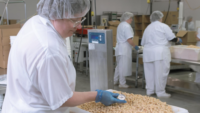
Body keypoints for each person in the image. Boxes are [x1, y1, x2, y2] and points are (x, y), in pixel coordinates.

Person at [2, 0, 126, 113]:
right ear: (56, 15)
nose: (79, 26)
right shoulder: (49, 51)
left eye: (80, 20)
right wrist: (97, 95)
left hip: (19, 104)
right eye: (74, 20)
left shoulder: (36, 22)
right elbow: (62, 100)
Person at [141, 11, 182, 98]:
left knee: (149, 73)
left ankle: (150, 90)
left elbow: (143, 42)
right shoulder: (163, 26)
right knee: (161, 73)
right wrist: (178, 40)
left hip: (148, 53)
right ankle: (160, 92)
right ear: (160, 18)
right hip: (160, 53)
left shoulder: (148, 27)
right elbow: (172, 38)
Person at [114, 12, 139, 88]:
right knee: (122, 67)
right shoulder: (127, 26)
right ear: (127, 19)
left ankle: (114, 80)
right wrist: (135, 46)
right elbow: (129, 39)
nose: (131, 20)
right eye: (131, 18)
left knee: (118, 66)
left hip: (119, 48)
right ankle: (122, 83)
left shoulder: (120, 25)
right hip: (124, 49)